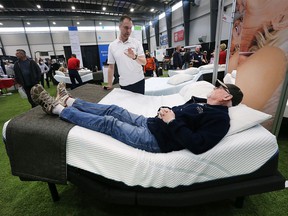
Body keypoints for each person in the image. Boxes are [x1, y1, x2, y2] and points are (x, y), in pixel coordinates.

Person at [30, 80, 243, 154]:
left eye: (219, 87)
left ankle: (57, 109)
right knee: (114, 109)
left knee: (109, 123)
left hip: (157, 140)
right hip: (153, 122)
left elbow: (197, 145)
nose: (214, 88)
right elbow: (178, 108)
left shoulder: (220, 120)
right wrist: (166, 109)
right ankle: (70, 101)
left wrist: (172, 121)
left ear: (226, 96)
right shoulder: (203, 102)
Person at [106, 15, 146, 94]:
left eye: (130, 28)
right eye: (126, 27)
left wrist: (134, 57)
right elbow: (111, 67)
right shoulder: (112, 46)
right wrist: (109, 84)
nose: (128, 31)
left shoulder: (136, 43)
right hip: (124, 84)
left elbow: (144, 62)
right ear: (120, 27)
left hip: (138, 81)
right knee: (126, 106)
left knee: (140, 105)